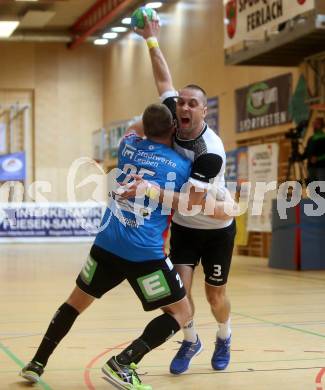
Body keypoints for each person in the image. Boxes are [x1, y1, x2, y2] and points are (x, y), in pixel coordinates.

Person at [20, 103, 232, 389]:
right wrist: (227, 205)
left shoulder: (128, 146)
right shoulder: (181, 166)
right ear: (172, 128)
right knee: (182, 313)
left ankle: (37, 362)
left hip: (106, 242)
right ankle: (123, 362)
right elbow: (193, 203)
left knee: (74, 303)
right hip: (143, 252)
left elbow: (135, 128)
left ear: (145, 127)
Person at [128, 15, 237, 375]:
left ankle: (224, 333)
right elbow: (164, 78)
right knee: (176, 295)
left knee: (213, 296)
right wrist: (151, 39)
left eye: (193, 104)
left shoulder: (210, 152)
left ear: (205, 111)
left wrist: (151, 190)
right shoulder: (173, 119)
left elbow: (190, 202)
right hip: (186, 228)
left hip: (216, 227)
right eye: (182, 103)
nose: (185, 107)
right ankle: (190, 340)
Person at [301, 117, 325, 186]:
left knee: (322, 190)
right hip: (311, 168)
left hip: (321, 168)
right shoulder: (311, 139)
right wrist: (300, 157)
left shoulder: (323, 137)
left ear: (321, 125)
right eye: (313, 123)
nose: (314, 125)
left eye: (316, 124)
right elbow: (307, 152)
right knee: (313, 191)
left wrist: (318, 158)